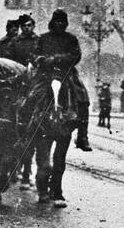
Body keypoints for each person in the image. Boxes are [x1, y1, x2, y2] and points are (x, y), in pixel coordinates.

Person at [35, 9, 92, 150]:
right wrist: (42, 60)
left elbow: (76, 55)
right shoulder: (42, 38)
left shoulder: (71, 39)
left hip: (67, 72)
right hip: (46, 73)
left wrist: (58, 58)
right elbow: (35, 54)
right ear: (52, 22)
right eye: (57, 21)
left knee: (82, 94)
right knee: (31, 93)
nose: (60, 24)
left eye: (62, 21)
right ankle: (26, 127)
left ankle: (82, 136)